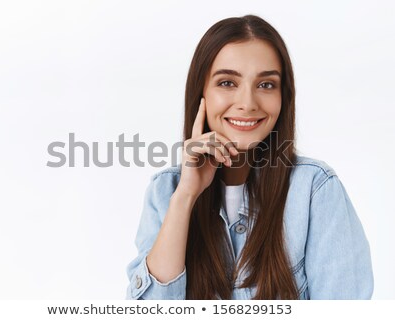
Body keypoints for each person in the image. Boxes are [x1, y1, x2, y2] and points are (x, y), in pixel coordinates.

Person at [126, 15, 373, 300]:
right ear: (201, 93)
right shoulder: (165, 191)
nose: (247, 103)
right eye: (228, 82)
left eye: (266, 85)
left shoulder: (315, 190)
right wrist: (186, 196)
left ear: (284, 97)